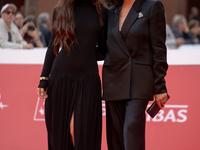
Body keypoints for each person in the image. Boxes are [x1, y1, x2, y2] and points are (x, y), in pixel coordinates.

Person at [37, 0, 108, 149]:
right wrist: (44, 78)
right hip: (61, 77)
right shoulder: (60, 9)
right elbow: (53, 46)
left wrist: (85, 53)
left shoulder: (102, 12)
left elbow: (103, 49)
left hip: (88, 79)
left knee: (79, 131)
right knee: (61, 135)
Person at [102, 0, 169, 150]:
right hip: (113, 80)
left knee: (131, 129)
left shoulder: (152, 6)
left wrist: (159, 86)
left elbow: (159, 49)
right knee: (115, 138)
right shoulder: (111, 11)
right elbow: (105, 48)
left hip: (139, 81)